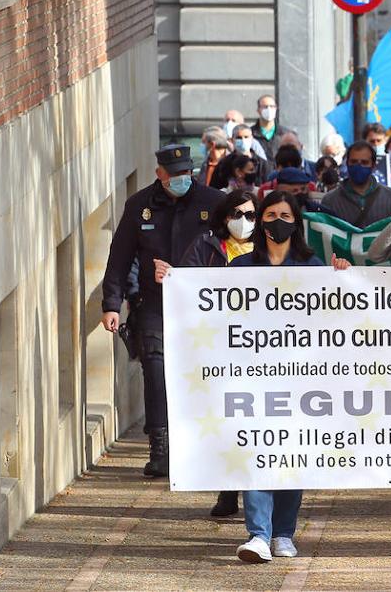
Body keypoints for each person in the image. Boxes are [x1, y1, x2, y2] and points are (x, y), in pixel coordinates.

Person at [100, 145, 224, 477]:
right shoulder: (139, 206)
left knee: (201, 373)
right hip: (155, 303)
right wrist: (111, 304)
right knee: (155, 369)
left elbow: (232, 249)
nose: (183, 179)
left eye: (187, 173)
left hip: (203, 305)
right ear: (160, 175)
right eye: (176, 175)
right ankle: (160, 447)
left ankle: (202, 444)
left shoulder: (212, 203)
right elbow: (120, 257)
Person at [229, 191, 327, 563]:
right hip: (254, 378)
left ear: (296, 221)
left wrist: (344, 278)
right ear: (260, 221)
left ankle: (283, 533)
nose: (278, 221)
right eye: (270, 214)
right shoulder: (240, 269)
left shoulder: (314, 268)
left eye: (285, 214)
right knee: (257, 449)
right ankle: (258, 534)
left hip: (301, 380)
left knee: (292, 452)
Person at [169, 189, 259, 518]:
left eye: (251, 215)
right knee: (229, 421)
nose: (244, 221)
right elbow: (187, 286)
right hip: (220, 348)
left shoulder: (267, 252)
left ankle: (257, 492)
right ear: (224, 217)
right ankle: (227, 488)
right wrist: (171, 279)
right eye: (237, 214)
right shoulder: (206, 247)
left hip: (262, 352)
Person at [321, 142, 391, 228]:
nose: (358, 166)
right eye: (354, 162)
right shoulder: (330, 201)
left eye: (364, 162)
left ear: (373, 165)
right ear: (347, 163)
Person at [250, 95, 295, 161]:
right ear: (258, 110)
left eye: (272, 106)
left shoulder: (286, 134)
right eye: (265, 107)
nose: (269, 109)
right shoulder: (249, 134)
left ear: (276, 109)